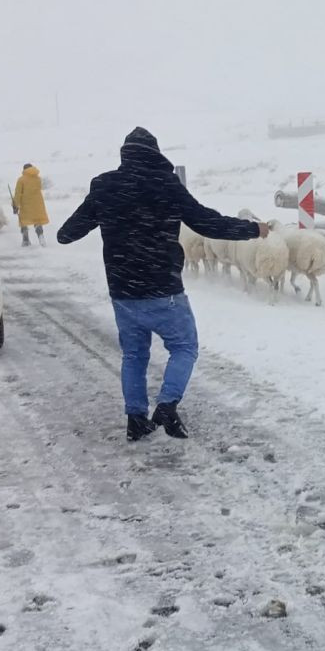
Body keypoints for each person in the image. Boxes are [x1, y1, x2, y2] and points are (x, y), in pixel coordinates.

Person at [57, 127, 266, 441]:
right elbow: (207, 222)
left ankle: (136, 418)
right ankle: (167, 405)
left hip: (123, 292)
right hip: (162, 289)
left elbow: (66, 233)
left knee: (134, 355)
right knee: (184, 347)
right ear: (156, 154)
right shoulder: (166, 184)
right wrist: (252, 230)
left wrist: (99, 216)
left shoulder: (105, 186)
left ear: (125, 155)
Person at [12, 163, 50, 246]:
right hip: (38, 204)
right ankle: (41, 236)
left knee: (23, 221)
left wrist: (15, 205)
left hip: (26, 205)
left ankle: (26, 240)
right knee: (37, 221)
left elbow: (18, 194)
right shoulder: (38, 179)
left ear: (24, 170)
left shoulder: (21, 180)